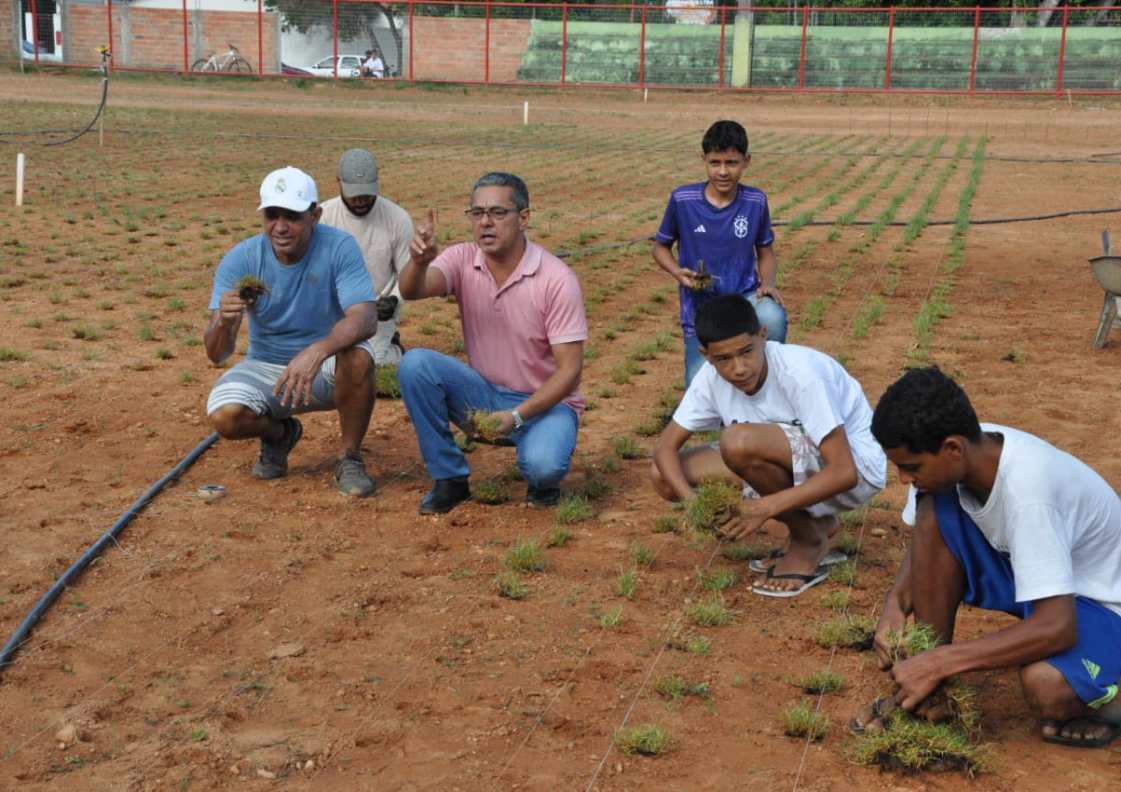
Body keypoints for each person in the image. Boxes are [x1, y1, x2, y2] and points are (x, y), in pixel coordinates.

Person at [864, 366, 1121, 748]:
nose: (902, 478)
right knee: (934, 509)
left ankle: (1113, 700)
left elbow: (1057, 627)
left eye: (911, 467)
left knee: (1047, 687)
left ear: (952, 448)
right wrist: (896, 604)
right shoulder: (961, 450)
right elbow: (927, 541)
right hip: (1040, 576)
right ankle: (933, 694)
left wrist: (943, 661)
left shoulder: (1030, 495)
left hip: (1102, 603)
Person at [650, 294, 885, 597]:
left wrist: (763, 508)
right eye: (723, 359)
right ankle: (817, 524)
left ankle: (807, 542)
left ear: (763, 335)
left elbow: (844, 472)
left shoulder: (799, 373)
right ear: (705, 355)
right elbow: (665, 448)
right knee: (664, 475)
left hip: (856, 466)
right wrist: (692, 503)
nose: (739, 368)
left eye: (746, 352)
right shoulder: (710, 378)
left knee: (737, 441)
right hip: (797, 458)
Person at [397, 172, 587, 514]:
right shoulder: (461, 259)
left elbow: (570, 372)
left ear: (524, 218)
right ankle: (449, 479)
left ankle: (542, 481)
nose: (486, 223)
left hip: (544, 404)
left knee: (543, 466)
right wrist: (419, 262)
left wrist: (515, 416)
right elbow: (412, 290)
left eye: (498, 213)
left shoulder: (557, 279)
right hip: (484, 393)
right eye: (477, 213)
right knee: (415, 365)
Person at [204, 166, 379, 498]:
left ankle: (350, 457)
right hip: (267, 365)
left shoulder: (340, 247)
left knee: (358, 357)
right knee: (226, 418)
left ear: (315, 214)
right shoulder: (241, 258)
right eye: (272, 215)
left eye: (293, 216)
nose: (280, 227)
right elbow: (217, 354)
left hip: (325, 365)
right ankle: (279, 435)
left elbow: (366, 317)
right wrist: (222, 322)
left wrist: (317, 350)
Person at [652, 119, 788, 388]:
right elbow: (659, 247)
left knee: (772, 316)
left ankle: (766, 385)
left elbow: (765, 251)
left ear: (746, 161)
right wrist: (678, 272)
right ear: (703, 159)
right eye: (715, 163)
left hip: (744, 297)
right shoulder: (683, 200)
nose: (723, 172)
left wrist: (767, 284)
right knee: (699, 382)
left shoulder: (756, 201)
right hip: (701, 305)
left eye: (732, 163)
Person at [320, 148, 412, 366]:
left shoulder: (398, 219)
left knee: (367, 366)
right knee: (324, 365)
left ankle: (391, 348)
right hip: (330, 314)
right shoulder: (323, 217)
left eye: (367, 193)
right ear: (338, 182)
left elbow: (407, 274)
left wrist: (394, 300)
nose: (361, 200)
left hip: (377, 315)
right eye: (354, 194)